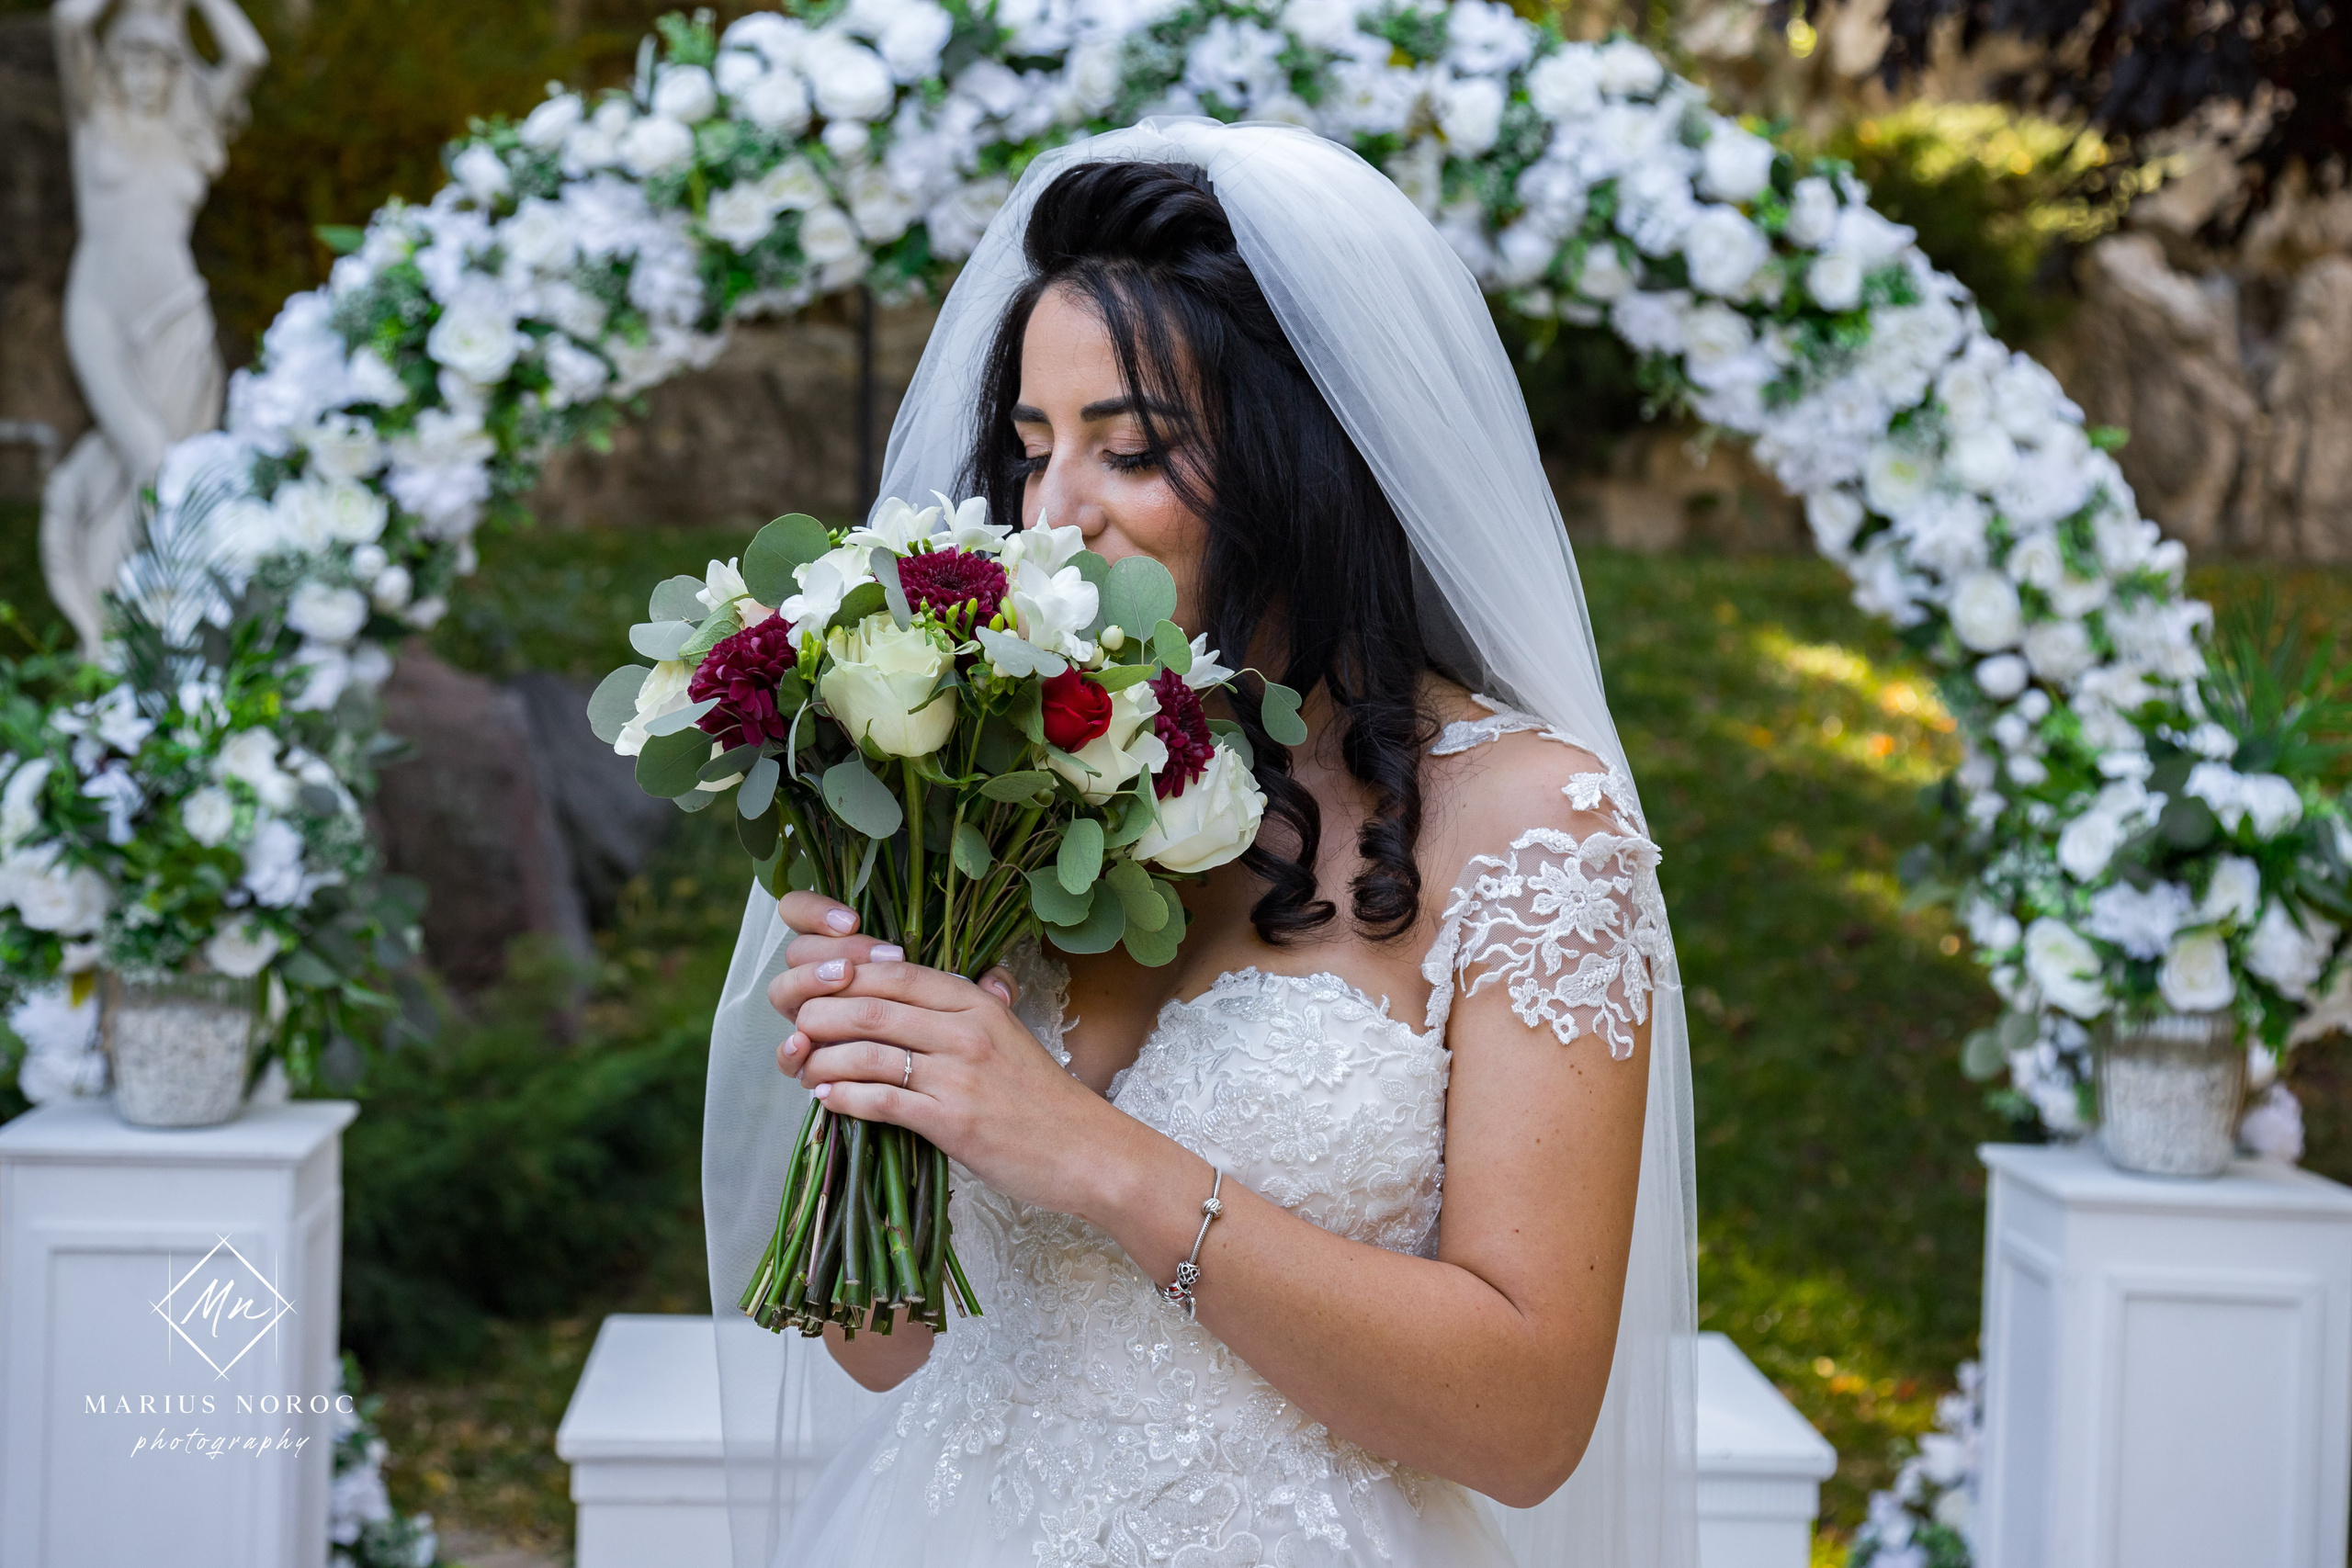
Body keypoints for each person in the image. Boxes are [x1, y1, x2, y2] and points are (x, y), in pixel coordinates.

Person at [704, 119, 1697, 1568]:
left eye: (1132, 449)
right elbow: (885, 1349)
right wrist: (874, 1087)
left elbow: (1529, 1418)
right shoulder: (1000, 792)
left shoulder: (1534, 826)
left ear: (1311, 456)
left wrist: (1088, 1154)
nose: (1054, 515)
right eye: (1035, 449)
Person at [44, 0, 267, 655]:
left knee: (164, 470)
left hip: (176, 315)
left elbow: (249, 57)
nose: (143, 73)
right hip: (100, 311)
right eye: (129, 58)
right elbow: (68, 21)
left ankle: (161, 635)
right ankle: (119, 633)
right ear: (111, 66)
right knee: (145, 456)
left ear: (176, 70)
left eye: (157, 61)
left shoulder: (191, 127)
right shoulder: (94, 115)